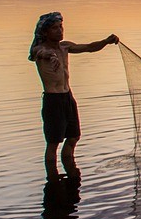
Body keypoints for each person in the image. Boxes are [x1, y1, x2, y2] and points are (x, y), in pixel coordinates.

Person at [28, 11, 119, 183]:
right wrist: (51, 56)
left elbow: (89, 47)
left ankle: (70, 171)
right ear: (45, 32)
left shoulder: (65, 47)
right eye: (54, 28)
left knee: (73, 137)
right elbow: (37, 53)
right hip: (53, 101)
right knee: (53, 142)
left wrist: (106, 42)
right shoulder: (40, 49)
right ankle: (53, 179)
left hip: (68, 98)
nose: (59, 30)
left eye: (60, 27)